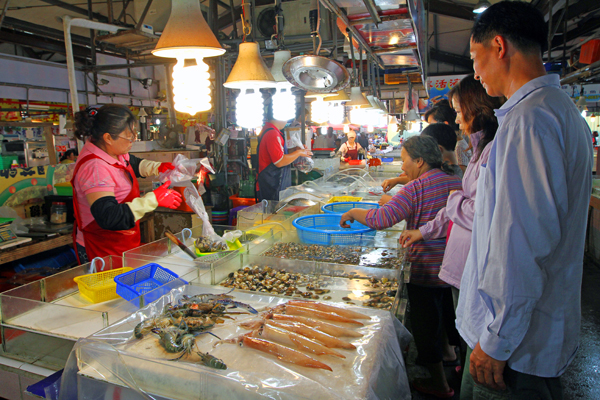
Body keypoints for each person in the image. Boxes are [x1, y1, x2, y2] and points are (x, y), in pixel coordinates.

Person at [456, 3, 593, 399]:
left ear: (498, 46)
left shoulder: (529, 123)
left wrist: (497, 340)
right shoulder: (561, 113)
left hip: (511, 348)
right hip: (527, 333)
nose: (476, 72)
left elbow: (521, 243)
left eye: (474, 58)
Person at [340, 135, 462, 398]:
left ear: (419, 161)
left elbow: (381, 219)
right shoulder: (456, 179)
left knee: (426, 325)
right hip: (455, 267)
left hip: (426, 269)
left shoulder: (415, 188)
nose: (402, 167)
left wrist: (352, 212)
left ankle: (441, 385)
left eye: (404, 161)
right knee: (448, 312)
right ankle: (450, 354)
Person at [71, 105, 182, 263]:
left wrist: (157, 167)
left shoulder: (112, 151)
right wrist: (153, 200)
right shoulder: (95, 168)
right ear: (108, 138)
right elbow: (108, 217)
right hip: (101, 249)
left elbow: (132, 164)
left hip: (121, 242)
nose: (133, 140)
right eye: (130, 137)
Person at [379, 123, 463, 206]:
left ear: (438, 150)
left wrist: (395, 202)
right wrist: (397, 180)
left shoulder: (453, 177)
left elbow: (426, 202)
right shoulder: (449, 174)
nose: (402, 167)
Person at [256, 118, 312, 201]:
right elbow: (280, 161)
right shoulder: (272, 133)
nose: (286, 121)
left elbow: (278, 153)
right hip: (272, 186)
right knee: (273, 212)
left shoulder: (271, 130)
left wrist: (295, 150)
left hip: (272, 183)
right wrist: (299, 152)